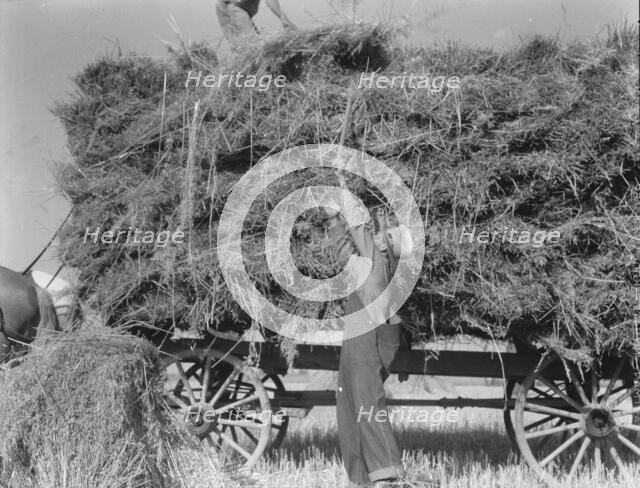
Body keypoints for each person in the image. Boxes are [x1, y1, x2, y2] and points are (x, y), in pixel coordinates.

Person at [325, 172, 416, 488]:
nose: (381, 234)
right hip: (363, 348)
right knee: (351, 410)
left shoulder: (377, 268)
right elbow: (344, 255)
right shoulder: (379, 270)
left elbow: (360, 228)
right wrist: (336, 220)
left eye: (387, 236)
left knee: (366, 408)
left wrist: (342, 190)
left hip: (364, 350)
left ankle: (388, 474)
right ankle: (364, 477)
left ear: (388, 248)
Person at [215, 0, 297, 50]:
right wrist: (286, 21)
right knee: (253, 52)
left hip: (239, 9)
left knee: (258, 50)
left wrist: (285, 21)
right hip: (230, 8)